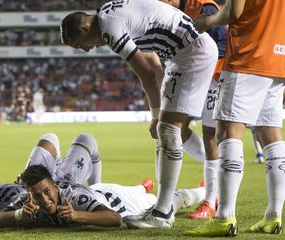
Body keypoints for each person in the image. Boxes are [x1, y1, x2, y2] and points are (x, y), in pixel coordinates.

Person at [61, 0, 218, 229]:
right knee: (171, 131)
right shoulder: (108, 13)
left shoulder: (109, 29)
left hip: (192, 53)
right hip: (179, 55)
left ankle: (162, 213)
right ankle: (165, 206)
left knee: (167, 129)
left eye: (81, 44)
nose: (86, 49)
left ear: (85, 28)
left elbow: (146, 74)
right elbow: (153, 64)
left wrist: (155, 115)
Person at [186, 0, 285, 236]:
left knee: (227, 133)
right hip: (278, 58)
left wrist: (204, 22)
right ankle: (273, 215)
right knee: (270, 134)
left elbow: (233, 12)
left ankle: (224, 217)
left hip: (248, 56)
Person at [158, 0, 227, 220]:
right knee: (179, 128)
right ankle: (216, 174)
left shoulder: (204, 7)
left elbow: (222, 44)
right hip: (194, 75)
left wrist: (215, 78)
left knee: (210, 135)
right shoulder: (177, 11)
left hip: (215, 76)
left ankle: (210, 200)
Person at [0, 132, 102, 226]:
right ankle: (98, 188)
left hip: (33, 176)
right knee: (86, 139)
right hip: (60, 186)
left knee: (49, 138)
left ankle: (55, 168)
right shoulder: (10, 211)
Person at [0, 164, 207, 229]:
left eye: (47, 192)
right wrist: (17, 215)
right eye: (37, 196)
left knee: (170, 203)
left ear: (54, 187)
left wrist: (78, 216)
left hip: (124, 204)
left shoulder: (76, 199)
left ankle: (206, 192)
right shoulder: (29, 200)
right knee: (137, 188)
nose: (43, 200)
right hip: (101, 190)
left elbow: (115, 219)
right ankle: (142, 185)